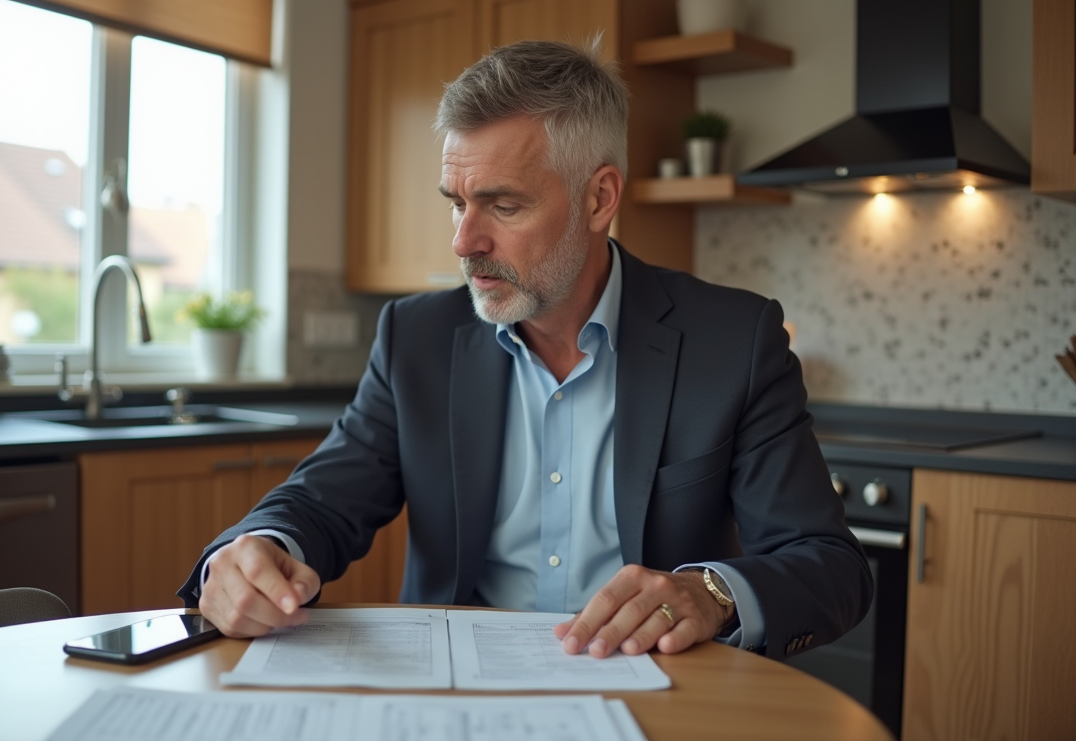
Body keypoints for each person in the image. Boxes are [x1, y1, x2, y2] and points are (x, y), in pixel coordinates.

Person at [178, 39, 872, 661]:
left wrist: (712, 593)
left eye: (503, 206)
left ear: (599, 199)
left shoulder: (733, 341)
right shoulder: (415, 338)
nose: (463, 241)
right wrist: (256, 551)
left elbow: (830, 566)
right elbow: (322, 502)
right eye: (456, 201)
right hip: (450, 697)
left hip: (654, 693)